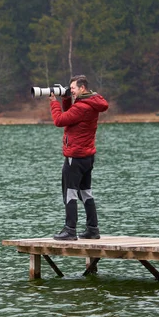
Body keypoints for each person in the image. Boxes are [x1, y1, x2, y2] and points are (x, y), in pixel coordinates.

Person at [49, 75, 108, 240]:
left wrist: (54, 102)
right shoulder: (91, 103)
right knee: (86, 193)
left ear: (82, 88)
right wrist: (66, 99)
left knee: (70, 193)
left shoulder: (82, 107)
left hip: (75, 156)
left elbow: (60, 120)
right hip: (87, 157)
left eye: (73, 88)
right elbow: (71, 116)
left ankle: (70, 230)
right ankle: (92, 229)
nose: (71, 90)